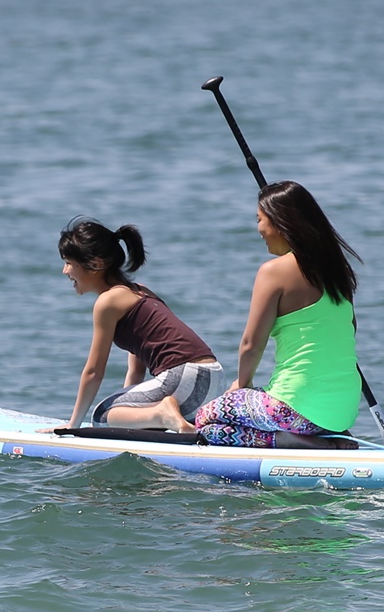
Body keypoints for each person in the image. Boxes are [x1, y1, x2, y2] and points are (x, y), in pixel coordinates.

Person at [195, 181, 364, 447]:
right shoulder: (337, 270)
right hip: (343, 410)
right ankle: (325, 437)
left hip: (295, 406)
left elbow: (251, 344)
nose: (259, 229)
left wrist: (244, 383)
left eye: (260, 220)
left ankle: (309, 444)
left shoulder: (273, 272)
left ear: (280, 223)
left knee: (207, 420)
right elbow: (349, 329)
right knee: (262, 403)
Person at [59, 218, 223, 432]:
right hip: (213, 380)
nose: (65, 271)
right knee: (127, 418)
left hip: (184, 377)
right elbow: (136, 369)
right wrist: (128, 414)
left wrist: (74, 425)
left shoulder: (107, 302)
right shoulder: (139, 291)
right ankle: (166, 417)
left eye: (69, 263)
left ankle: (163, 414)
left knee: (102, 415)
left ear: (96, 264)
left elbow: (93, 372)